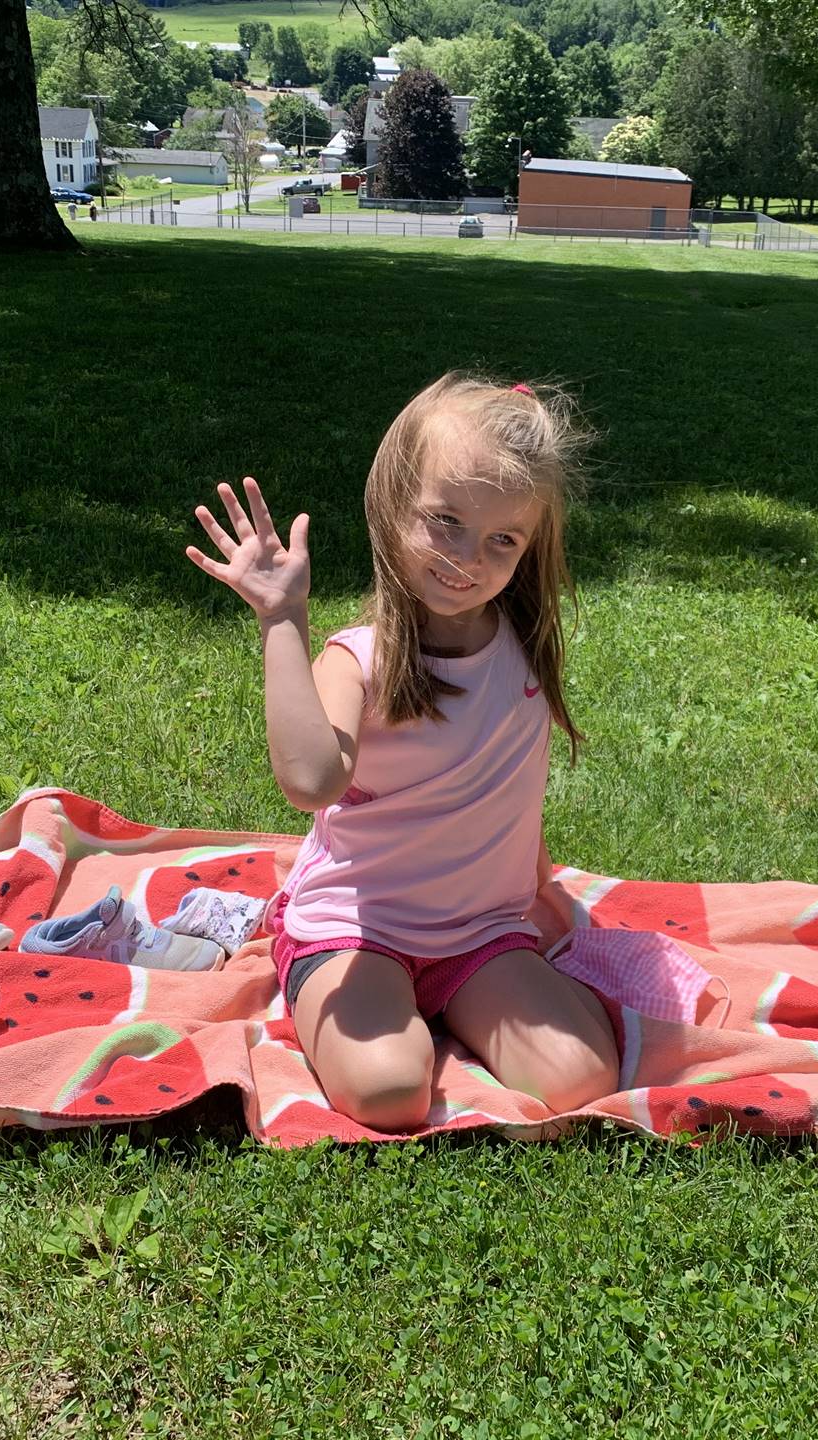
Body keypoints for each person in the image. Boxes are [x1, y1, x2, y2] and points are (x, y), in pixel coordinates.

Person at [184, 373, 618, 1132]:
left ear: (531, 545)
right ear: (392, 505)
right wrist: (282, 621)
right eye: (444, 520)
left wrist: (537, 888)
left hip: (480, 932)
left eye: (501, 540)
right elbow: (312, 780)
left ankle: (449, 1008)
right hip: (357, 929)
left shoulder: (523, 652)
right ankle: (353, 996)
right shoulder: (360, 660)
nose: (467, 557)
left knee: (583, 1080)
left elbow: (508, 788)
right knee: (389, 1094)